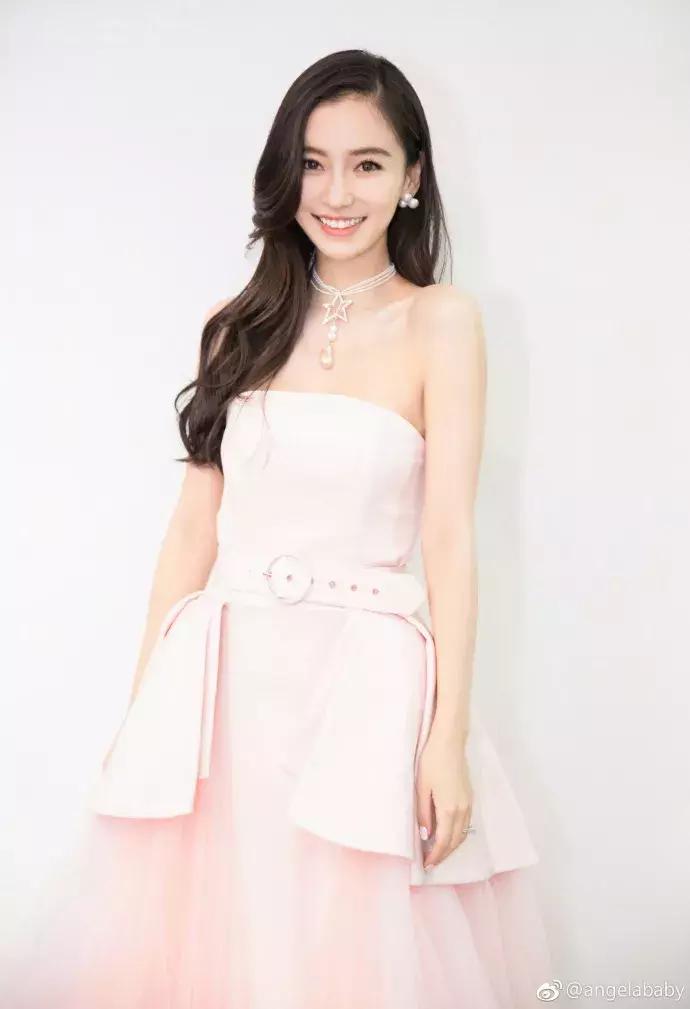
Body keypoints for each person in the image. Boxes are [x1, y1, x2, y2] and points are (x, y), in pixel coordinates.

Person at [4, 48, 552, 1009]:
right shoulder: (234, 325)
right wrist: (142, 712)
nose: (336, 193)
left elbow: (450, 541)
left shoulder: (443, 322)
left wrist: (448, 736)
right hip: (227, 691)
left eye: (368, 164)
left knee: (346, 950)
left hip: (366, 691)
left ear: (413, 176)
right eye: (312, 162)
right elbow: (191, 536)